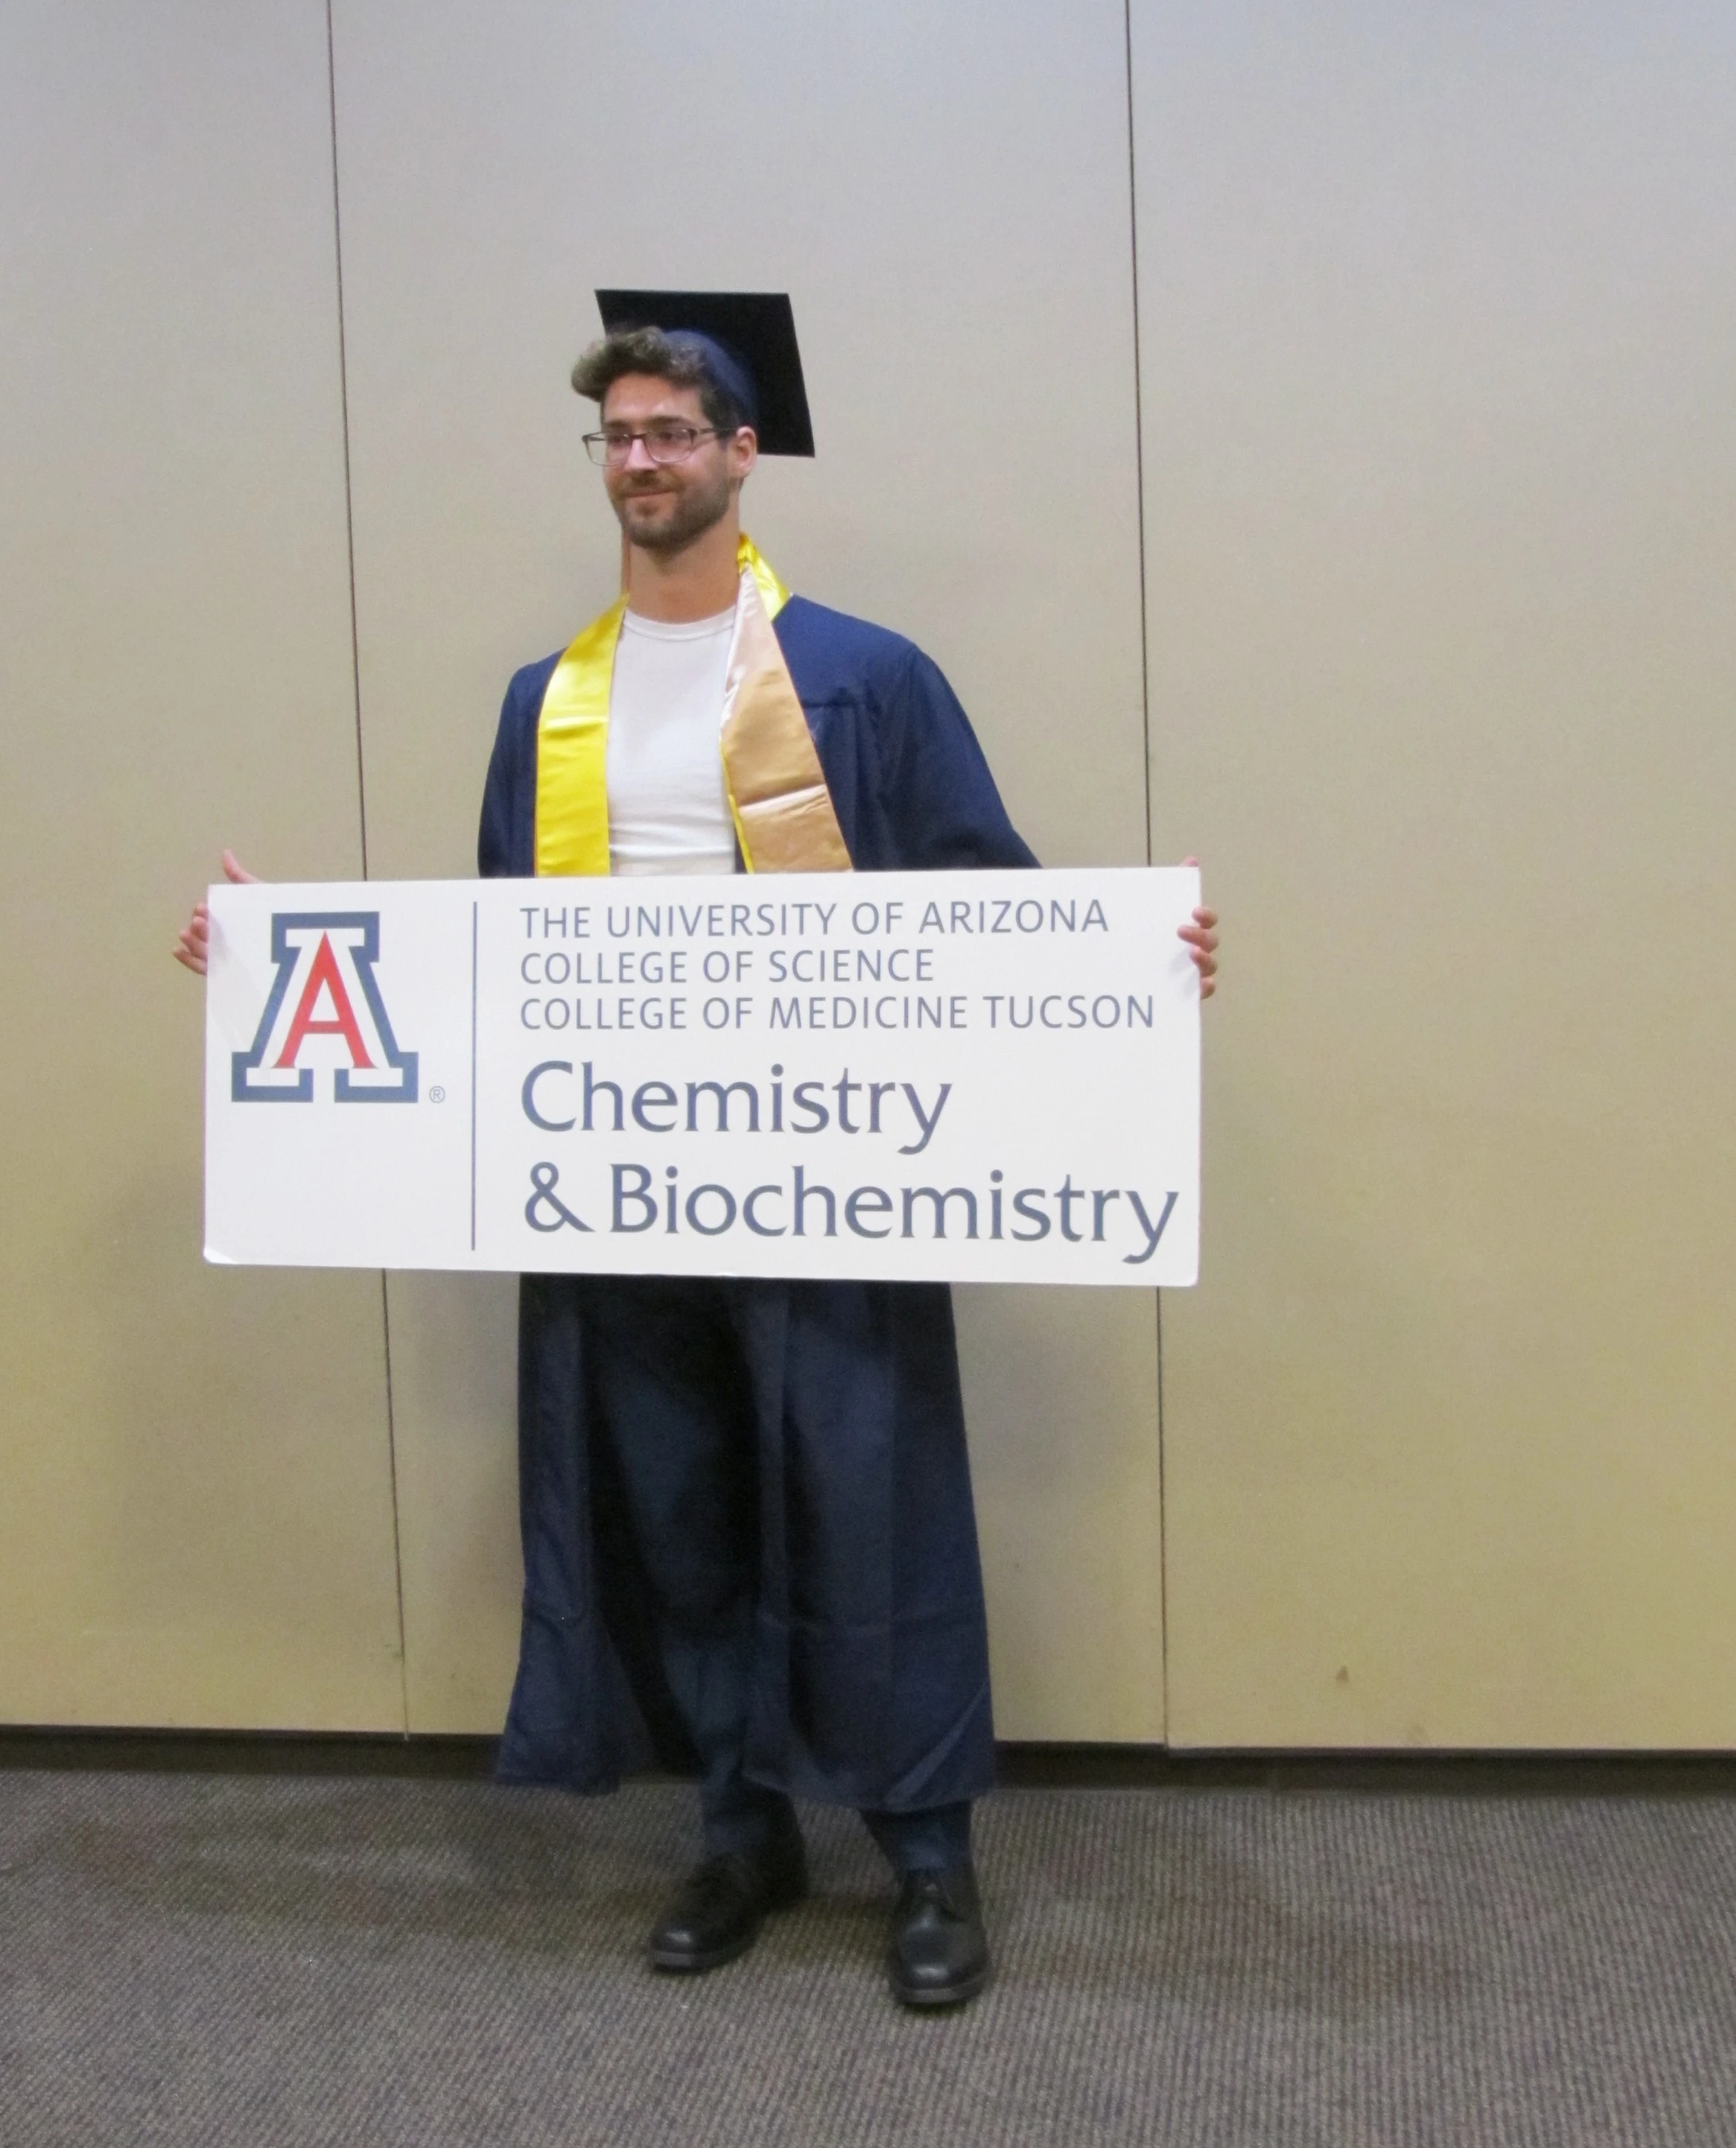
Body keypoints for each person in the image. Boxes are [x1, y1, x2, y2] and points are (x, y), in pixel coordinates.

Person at [178, 296, 1218, 2010]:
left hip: (829, 1175)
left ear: (743, 457)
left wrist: (1138, 968)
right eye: (621, 436)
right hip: (623, 1190)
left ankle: (930, 1858)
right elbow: (493, 957)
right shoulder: (547, 701)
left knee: (867, 1505)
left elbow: (989, 899)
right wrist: (271, 972)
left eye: (674, 433)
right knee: (681, 1517)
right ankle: (741, 1830)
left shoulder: (864, 678)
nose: (643, 460)